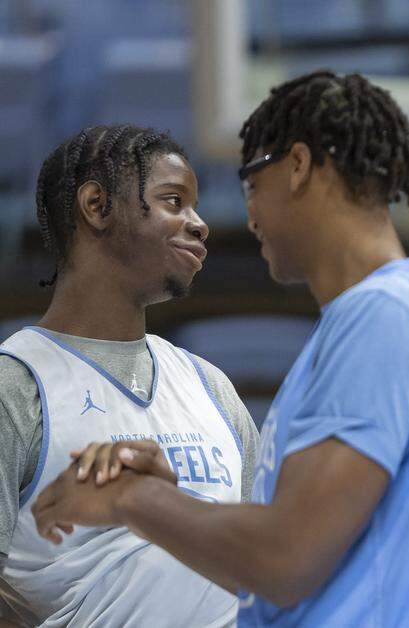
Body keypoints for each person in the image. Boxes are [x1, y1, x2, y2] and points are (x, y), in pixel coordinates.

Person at [32, 71, 409, 627]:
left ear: (297, 167)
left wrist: (131, 499)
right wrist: (170, 502)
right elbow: (277, 563)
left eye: (250, 183)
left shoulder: (383, 315)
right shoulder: (380, 315)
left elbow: (283, 560)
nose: (246, 216)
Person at [0, 125, 259, 627]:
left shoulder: (211, 386)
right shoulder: (16, 386)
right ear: (96, 205)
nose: (199, 224)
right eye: (173, 200)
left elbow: (265, 562)